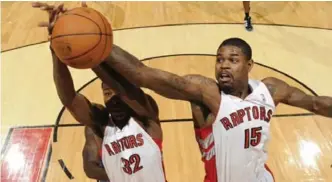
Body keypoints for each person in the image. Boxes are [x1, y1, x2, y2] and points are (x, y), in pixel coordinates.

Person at [100, 37, 332, 181]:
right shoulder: (206, 93)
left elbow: (315, 103)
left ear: (249, 65)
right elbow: (142, 74)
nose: (223, 66)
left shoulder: (270, 90)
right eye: (219, 59)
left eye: (233, 60)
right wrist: (100, 45)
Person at [32, 2, 167, 182]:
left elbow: (129, 87)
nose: (113, 99)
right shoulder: (99, 125)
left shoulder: (146, 115)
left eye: (116, 92)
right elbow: (70, 100)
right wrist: (57, 49)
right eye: (107, 93)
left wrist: (92, 47)